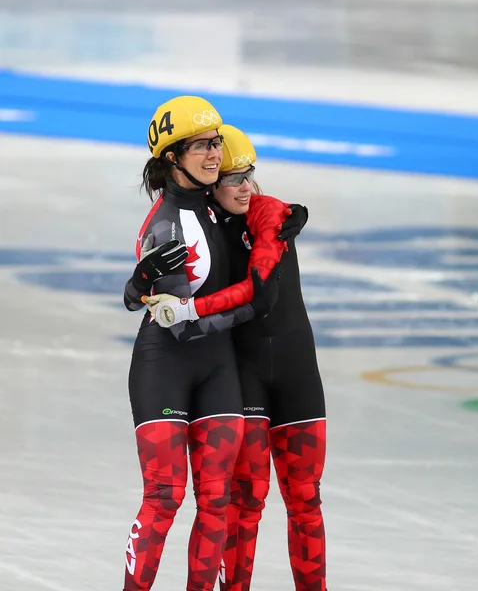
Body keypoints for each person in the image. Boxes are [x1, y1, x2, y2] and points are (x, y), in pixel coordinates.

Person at [146, 125, 327, 591]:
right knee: (246, 500)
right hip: (245, 371)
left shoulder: (268, 213)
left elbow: (261, 295)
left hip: (294, 369)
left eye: (251, 176)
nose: (247, 187)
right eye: (234, 179)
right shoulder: (202, 222)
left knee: (305, 499)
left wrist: (189, 309)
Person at [121, 96, 283, 591]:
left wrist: (280, 217)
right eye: (202, 147)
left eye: (216, 143)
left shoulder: (215, 206)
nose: (215, 155)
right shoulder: (168, 224)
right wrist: (252, 304)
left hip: (218, 368)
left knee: (218, 500)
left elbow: (249, 193)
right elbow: (179, 324)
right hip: (166, 364)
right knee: (165, 495)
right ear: (172, 158)